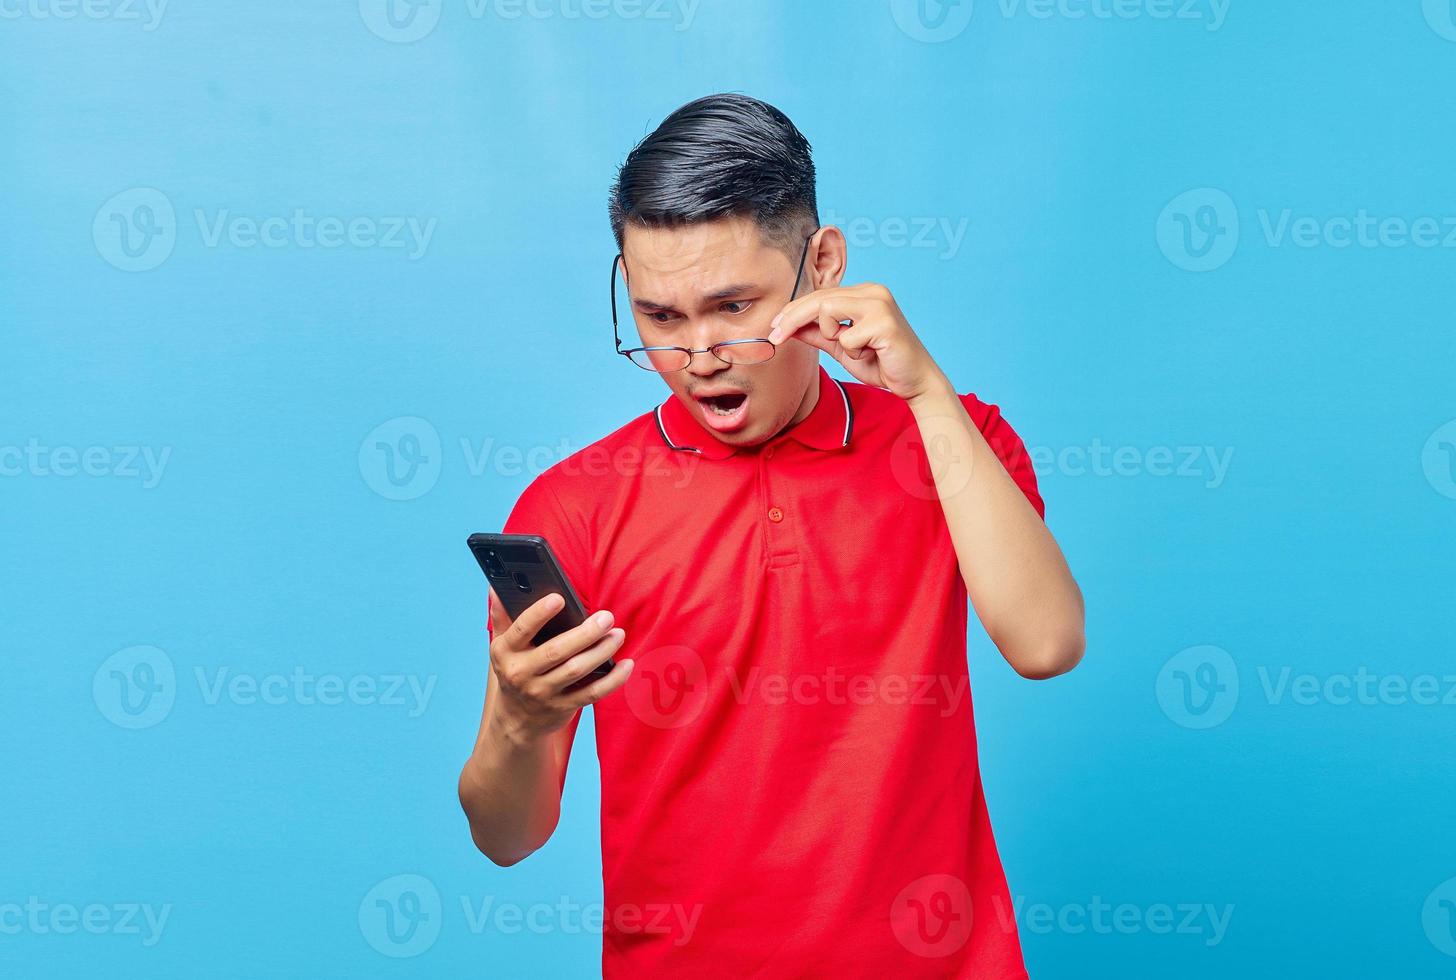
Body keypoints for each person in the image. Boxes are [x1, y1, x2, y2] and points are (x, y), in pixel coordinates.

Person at [458, 93, 1085, 978]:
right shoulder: (575, 509)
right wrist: (518, 722)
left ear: (822, 265)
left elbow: (1048, 642)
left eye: (733, 305)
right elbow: (505, 837)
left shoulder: (947, 443)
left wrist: (928, 395)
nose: (698, 353)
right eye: (660, 318)